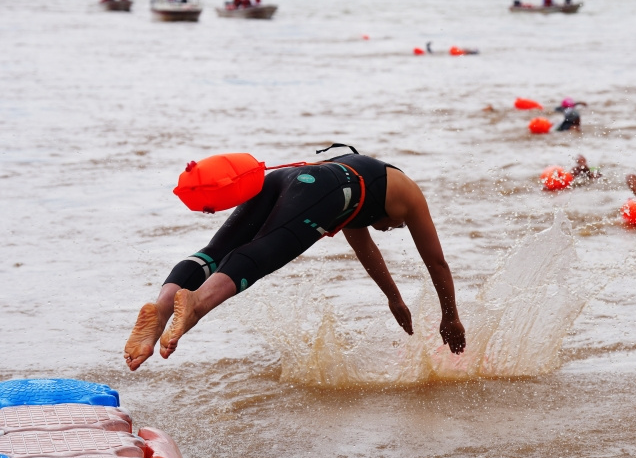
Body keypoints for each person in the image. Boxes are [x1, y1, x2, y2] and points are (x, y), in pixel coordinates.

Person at [124, 146, 467, 371]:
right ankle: (197, 304)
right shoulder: (411, 197)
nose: (390, 230)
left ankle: (163, 307)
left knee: (215, 251)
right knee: (268, 250)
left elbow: (365, 249)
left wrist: (394, 298)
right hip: (325, 188)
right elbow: (437, 262)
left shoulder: (362, 191)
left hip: (285, 179)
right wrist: (450, 317)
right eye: (394, 227)